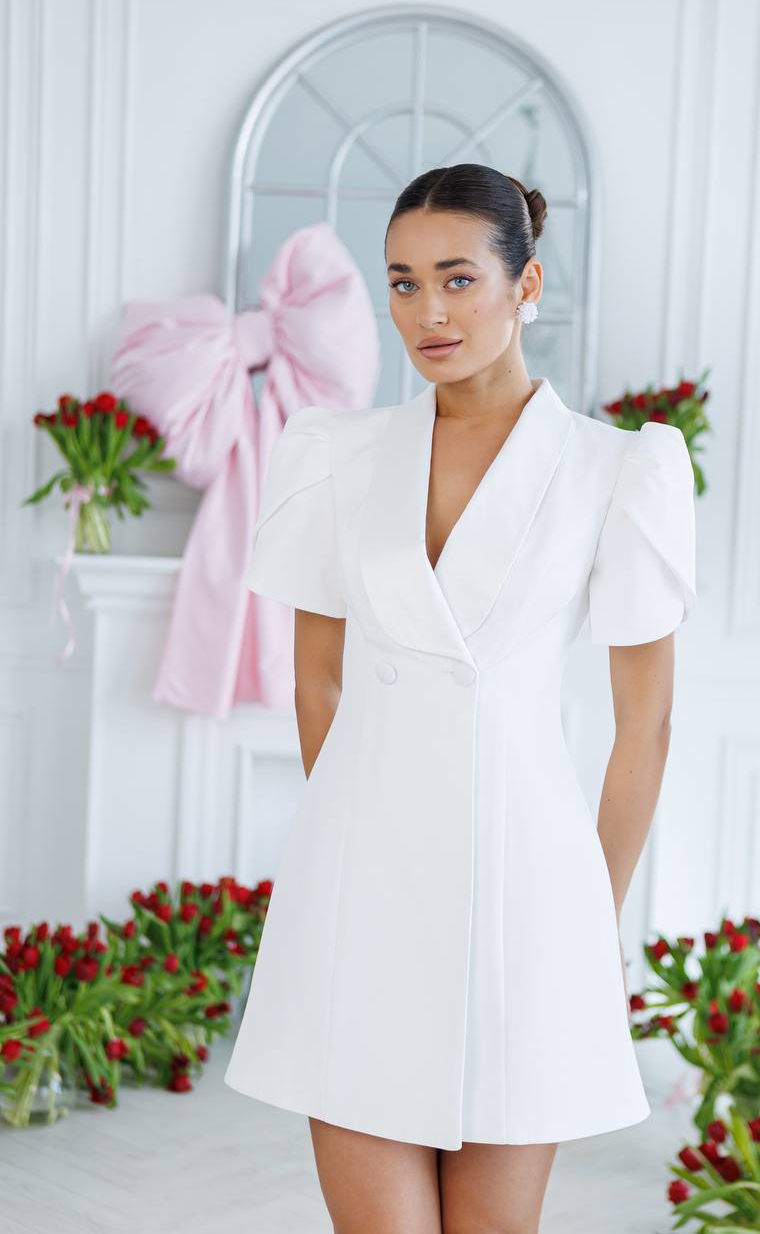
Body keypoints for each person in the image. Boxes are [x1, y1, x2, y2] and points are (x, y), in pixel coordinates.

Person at [224, 163, 697, 1233]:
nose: (426, 312)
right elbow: (317, 675)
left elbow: (646, 722)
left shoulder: (614, 469)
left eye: (456, 278)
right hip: (359, 883)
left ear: (525, 284)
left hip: (528, 894)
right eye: (400, 283)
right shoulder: (339, 454)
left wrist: (588, 909)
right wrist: (361, 827)